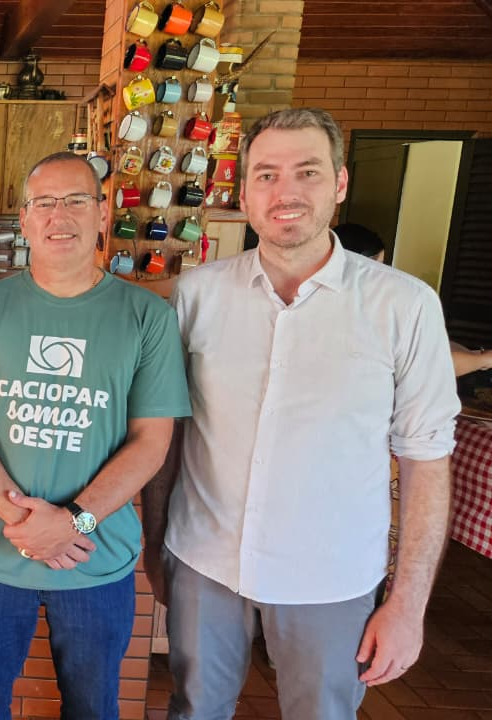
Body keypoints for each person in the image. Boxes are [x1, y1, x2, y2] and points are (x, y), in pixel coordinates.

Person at [143, 107, 461, 720]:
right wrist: (155, 543)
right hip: (204, 559)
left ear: (339, 183)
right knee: (194, 710)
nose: (285, 192)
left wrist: (408, 604)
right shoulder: (197, 295)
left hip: (332, 576)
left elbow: (426, 461)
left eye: (307, 172)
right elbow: (171, 433)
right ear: (243, 193)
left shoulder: (404, 306)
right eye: (266, 174)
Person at [0, 152, 190, 720]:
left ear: (102, 213)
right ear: (24, 220)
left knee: (93, 708)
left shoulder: (147, 316)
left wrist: (73, 522)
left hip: (96, 556)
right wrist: (29, 527)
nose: (60, 215)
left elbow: (152, 442)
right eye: (44, 203)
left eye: (76, 200)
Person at [334, 222, 491, 377]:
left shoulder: (375, 303)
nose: (383, 274)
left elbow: (428, 344)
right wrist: (482, 359)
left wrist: (478, 356)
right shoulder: (352, 313)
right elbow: (429, 365)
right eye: (377, 266)